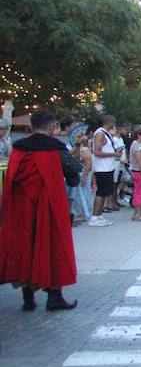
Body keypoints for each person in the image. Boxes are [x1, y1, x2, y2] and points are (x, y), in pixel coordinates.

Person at [1, 110, 79, 310]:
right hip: (49, 207)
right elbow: (73, 174)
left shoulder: (19, 148)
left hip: (23, 208)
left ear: (31, 126)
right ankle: (54, 297)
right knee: (53, 247)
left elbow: (11, 180)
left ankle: (28, 300)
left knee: (26, 247)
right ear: (52, 126)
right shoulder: (55, 148)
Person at [90, 113, 120, 227]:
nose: (115, 125)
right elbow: (97, 152)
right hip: (102, 168)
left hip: (108, 167)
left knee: (105, 192)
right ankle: (94, 216)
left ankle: (99, 214)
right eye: (114, 122)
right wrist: (113, 154)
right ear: (109, 122)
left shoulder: (106, 134)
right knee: (101, 192)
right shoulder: (100, 134)